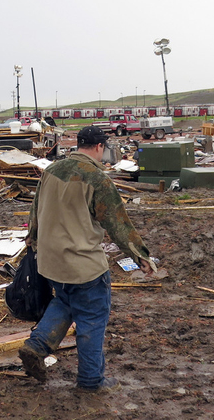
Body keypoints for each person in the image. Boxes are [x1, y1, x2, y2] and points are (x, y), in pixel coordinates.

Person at [20, 125, 154, 392]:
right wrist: (140, 255)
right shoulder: (97, 178)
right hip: (83, 265)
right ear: (99, 147)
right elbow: (117, 222)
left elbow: (35, 210)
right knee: (92, 318)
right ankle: (91, 380)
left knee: (65, 301)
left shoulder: (51, 170)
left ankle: (37, 345)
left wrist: (32, 240)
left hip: (52, 262)